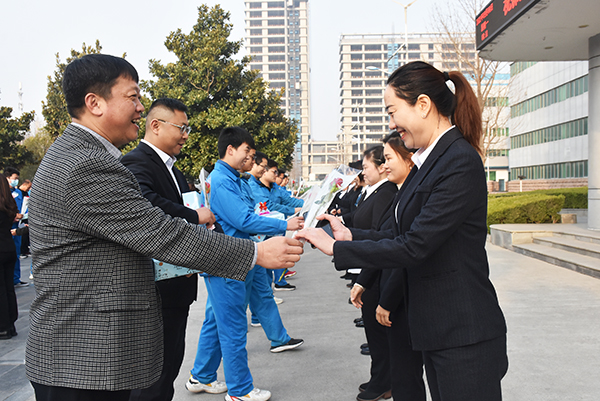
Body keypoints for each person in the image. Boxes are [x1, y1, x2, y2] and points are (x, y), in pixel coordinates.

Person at [26, 54, 303, 401]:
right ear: (94, 103)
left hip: (84, 350)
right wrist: (255, 252)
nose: (141, 109)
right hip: (83, 353)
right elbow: (159, 231)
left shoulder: (84, 155)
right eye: (133, 97)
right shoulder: (86, 164)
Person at [296, 61, 508, 401]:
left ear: (423, 105)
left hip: (464, 335)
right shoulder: (429, 162)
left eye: (393, 111)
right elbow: (398, 232)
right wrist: (350, 236)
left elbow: (414, 246)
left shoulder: (458, 161)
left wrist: (337, 250)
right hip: (439, 330)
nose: (392, 124)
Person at [188, 127, 303, 401]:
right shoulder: (222, 181)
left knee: (217, 321)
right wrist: (283, 224)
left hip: (241, 258)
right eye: (247, 153)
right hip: (228, 262)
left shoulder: (234, 179)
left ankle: (201, 376)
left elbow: (250, 215)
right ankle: (240, 391)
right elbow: (243, 220)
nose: (250, 159)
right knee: (234, 328)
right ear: (231, 150)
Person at [120, 98, 213, 401]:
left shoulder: (172, 167)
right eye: (181, 128)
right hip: (155, 292)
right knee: (151, 381)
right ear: (156, 125)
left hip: (176, 285)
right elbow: (146, 203)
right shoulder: (137, 161)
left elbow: (180, 205)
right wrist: (195, 216)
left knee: (168, 370)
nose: (186, 135)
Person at [350, 136, 425, 401]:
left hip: (404, 295)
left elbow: (401, 250)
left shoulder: (408, 196)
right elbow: (383, 240)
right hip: (388, 285)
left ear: (409, 159)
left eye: (389, 159)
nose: (385, 166)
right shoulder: (401, 194)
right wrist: (363, 280)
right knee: (401, 368)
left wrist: (388, 300)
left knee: (407, 374)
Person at [341, 145, 398, 401]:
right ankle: (380, 379)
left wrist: (364, 279)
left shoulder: (386, 193)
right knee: (375, 335)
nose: (364, 172)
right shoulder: (375, 192)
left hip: (379, 271)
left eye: (388, 159)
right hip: (370, 269)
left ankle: (383, 381)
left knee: (380, 335)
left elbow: (382, 241)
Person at [250, 159, 303, 291]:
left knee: (271, 263)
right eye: (274, 172)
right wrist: (292, 212)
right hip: (262, 231)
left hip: (276, 227)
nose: (276, 175)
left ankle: (273, 288)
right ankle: (275, 287)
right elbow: (268, 205)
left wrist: (309, 203)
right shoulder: (252, 186)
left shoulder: (274, 188)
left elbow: (289, 201)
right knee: (263, 266)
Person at [0, 177, 19, 340]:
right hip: (8, 247)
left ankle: (3, 326)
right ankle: (11, 323)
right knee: (8, 288)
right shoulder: (8, 205)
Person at [3, 167, 27, 287]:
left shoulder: (18, 193)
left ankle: (15, 279)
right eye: (14, 179)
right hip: (7, 226)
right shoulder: (3, 194)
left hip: (18, 225)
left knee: (15, 253)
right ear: (7, 178)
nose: (16, 181)